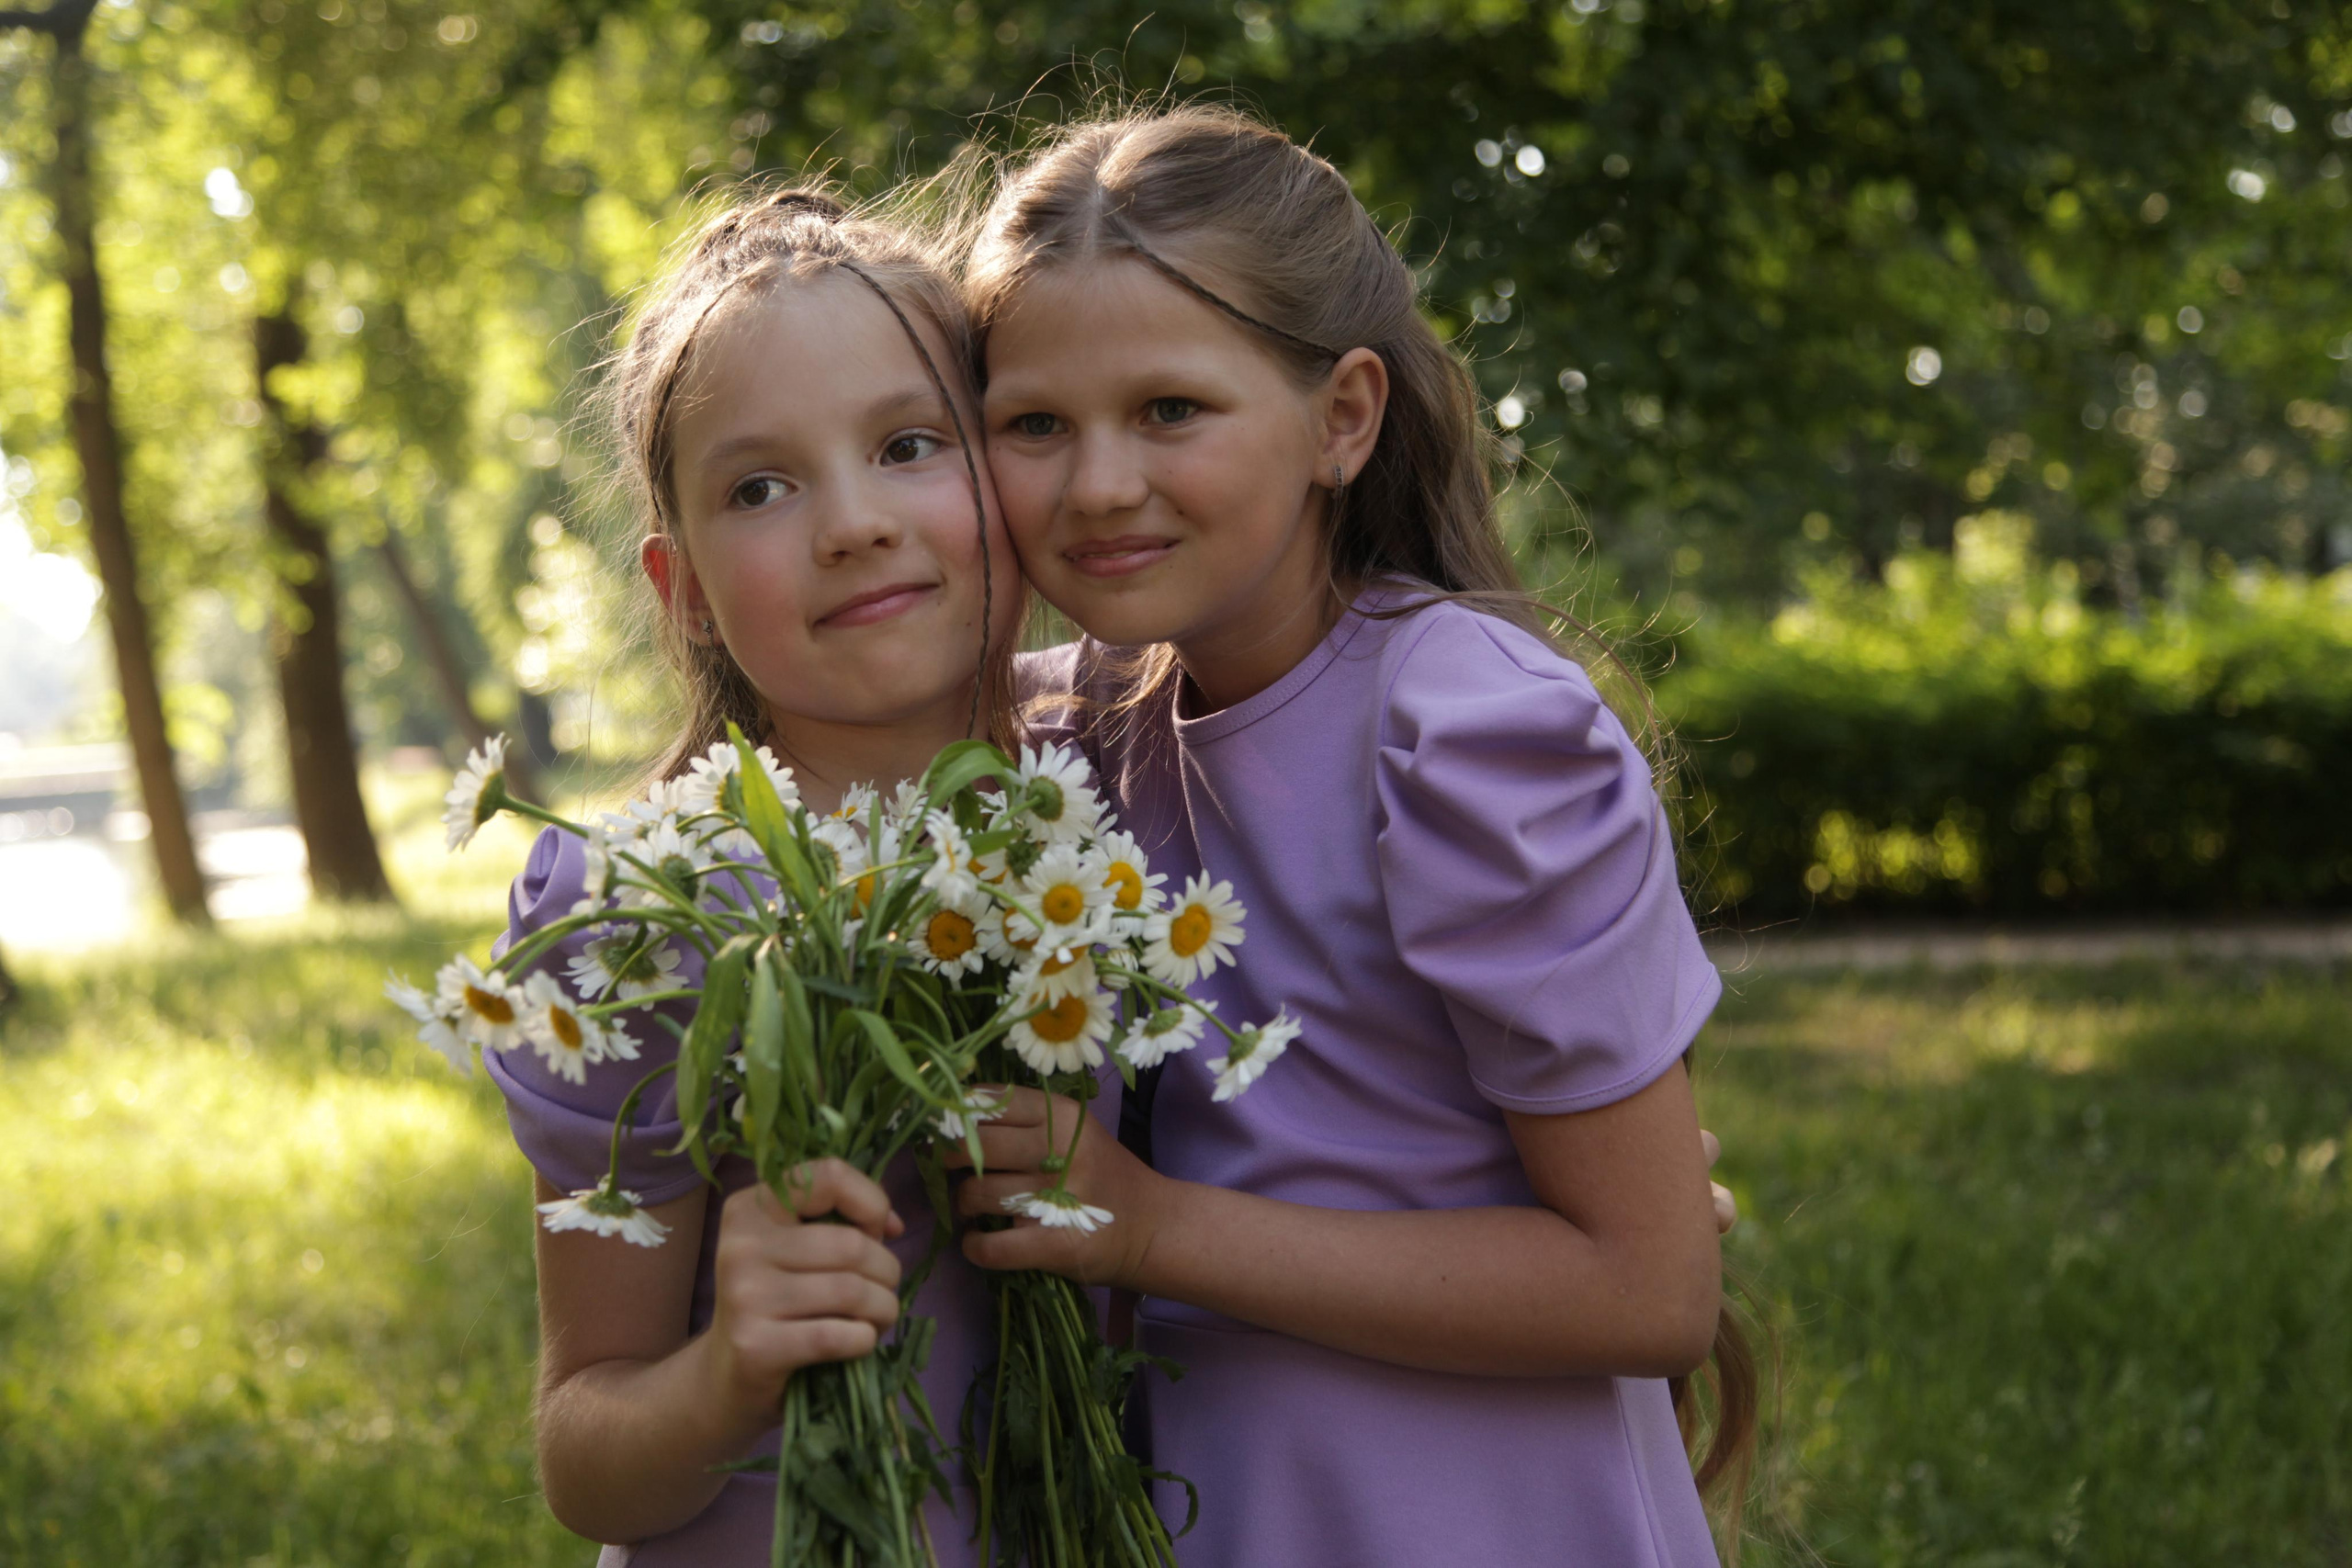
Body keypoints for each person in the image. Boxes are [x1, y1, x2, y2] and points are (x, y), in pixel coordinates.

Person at [945, 106, 1757, 1566]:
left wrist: (1149, 1230)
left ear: (1343, 417)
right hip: (1205, 1506)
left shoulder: (1464, 732)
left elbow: (1649, 1287)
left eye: (1171, 411)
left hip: (1477, 1510)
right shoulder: (1057, 739)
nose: (1099, 485)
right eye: (1034, 426)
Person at [485, 185, 1035, 1565]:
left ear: (1015, 477)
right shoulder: (644, 907)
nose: (850, 523)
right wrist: (730, 1366)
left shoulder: (1138, 775)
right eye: (761, 488)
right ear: (682, 590)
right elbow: (583, 1452)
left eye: (909, 445)